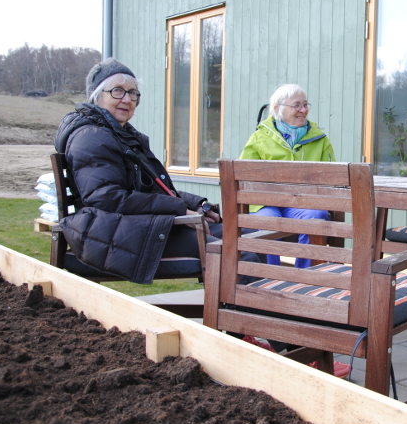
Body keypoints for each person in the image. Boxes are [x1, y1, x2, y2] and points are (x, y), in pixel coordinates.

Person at [54, 57, 261, 284]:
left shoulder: (121, 136)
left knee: (256, 239)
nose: (127, 99)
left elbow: (153, 190)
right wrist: (179, 210)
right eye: (117, 91)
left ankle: (265, 312)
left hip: (136, 226)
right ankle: (251, 317)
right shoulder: (92, 138)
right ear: (97, 95)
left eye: (133, 93)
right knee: (239, 253)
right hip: (113, 234)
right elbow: (106, 198)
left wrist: (196, 204)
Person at [239, 84, 336, 268]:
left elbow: (331, 178)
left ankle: (306, 279)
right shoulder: (260, 137)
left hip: (303, 203)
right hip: (265, 202)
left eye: (306, 104)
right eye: (297, 105)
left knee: (317, 216)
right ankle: (271, 279)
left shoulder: (320, 139)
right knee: (269, 222)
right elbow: (244, 176)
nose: (303, 110)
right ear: (278, 109)